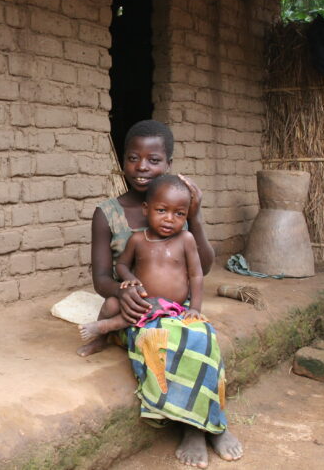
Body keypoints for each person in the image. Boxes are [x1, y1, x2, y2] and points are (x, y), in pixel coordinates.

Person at [79, 120, 242, 468]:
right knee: (166, 340)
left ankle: (213, 425)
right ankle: (193, 428)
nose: (141, 167)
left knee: (204, 338)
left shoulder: (179, 207)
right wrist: (123, 294)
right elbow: (101, 279)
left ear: (169, 163)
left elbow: (205, 267)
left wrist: (194, 218)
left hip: (177, 310)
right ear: (122, 160)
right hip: (138, 311)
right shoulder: (107, 213)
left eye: (153, 160)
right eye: (133, 158)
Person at [78, 175, 204, 342]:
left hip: (170, 305)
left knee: (152, 309)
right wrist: (130, 279)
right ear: (146, 209)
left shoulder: (186, 239)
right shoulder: (138, 239)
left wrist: (195, 308)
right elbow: (122, 264)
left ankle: (105, 326)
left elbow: (196, 274)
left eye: (179, 214)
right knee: (111, 304)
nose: (169, 218)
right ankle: (100, 340)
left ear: (187, 215)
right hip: (140, 299)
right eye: (161, 210)